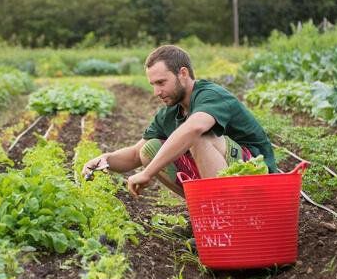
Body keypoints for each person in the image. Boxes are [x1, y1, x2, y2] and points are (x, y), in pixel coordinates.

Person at [81, 45, 278, 198]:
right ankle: (206, 211)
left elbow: (195, 128)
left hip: (258, 176)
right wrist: (103, 160)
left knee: (197, 137)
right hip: (225, 180)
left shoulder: (210, 95)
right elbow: (134, 155)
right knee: (149, 149)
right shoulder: (169, 112)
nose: (156, 92)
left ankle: (225, 216)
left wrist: (148, 173)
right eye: (153, 85)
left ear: (183, 74)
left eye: (161, 82)